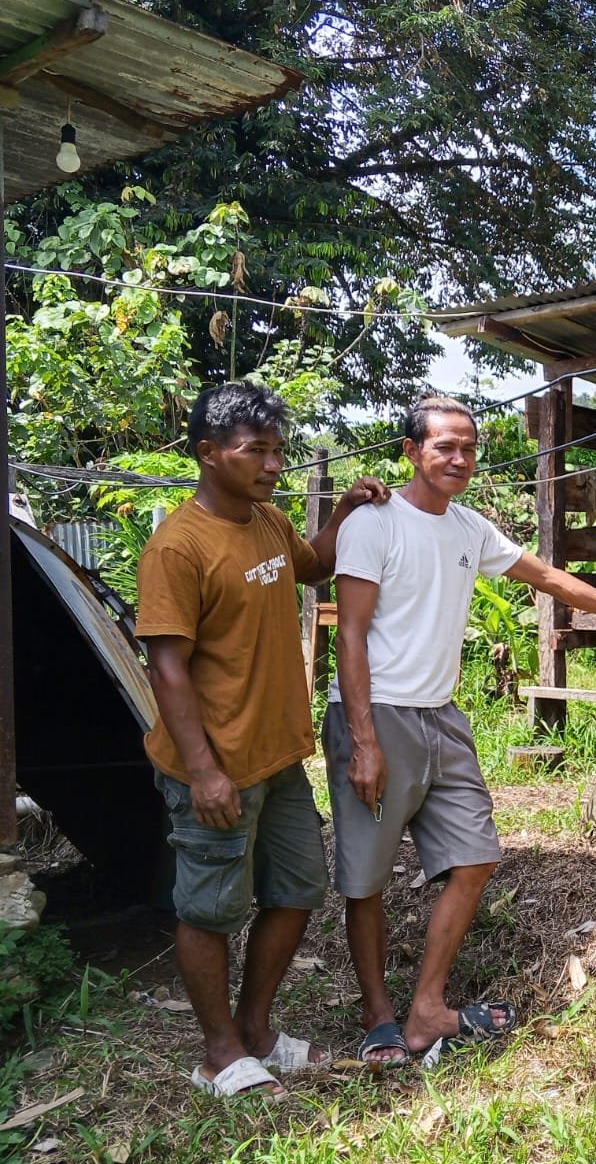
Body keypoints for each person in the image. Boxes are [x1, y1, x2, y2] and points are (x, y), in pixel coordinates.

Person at [326, 394, 596, 1067]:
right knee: (366, 879)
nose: (460, 458)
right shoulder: (372, 523)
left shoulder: (470, 528)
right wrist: (364, 742)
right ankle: (378, 1015)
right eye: (444, 446)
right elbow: (349, 635)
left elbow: (547, 576)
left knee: (475, 858)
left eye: (469, 448)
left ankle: (426, 1009)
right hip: (377, 713)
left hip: (441, 716)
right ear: (412, 451)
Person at [137, 381, 389, 1100]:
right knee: (210, 908)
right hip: (215, 764)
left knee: (298, 888)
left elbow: (314, 564)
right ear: (208, 453)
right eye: (257, 451)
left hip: (277, 757)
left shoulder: (269, 521)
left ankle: (255, 1029)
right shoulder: (178, 546)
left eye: (278, 450)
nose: (273, 465)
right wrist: (203, 771)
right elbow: (167, 668)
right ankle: (218, 1054)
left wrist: (343, 512)